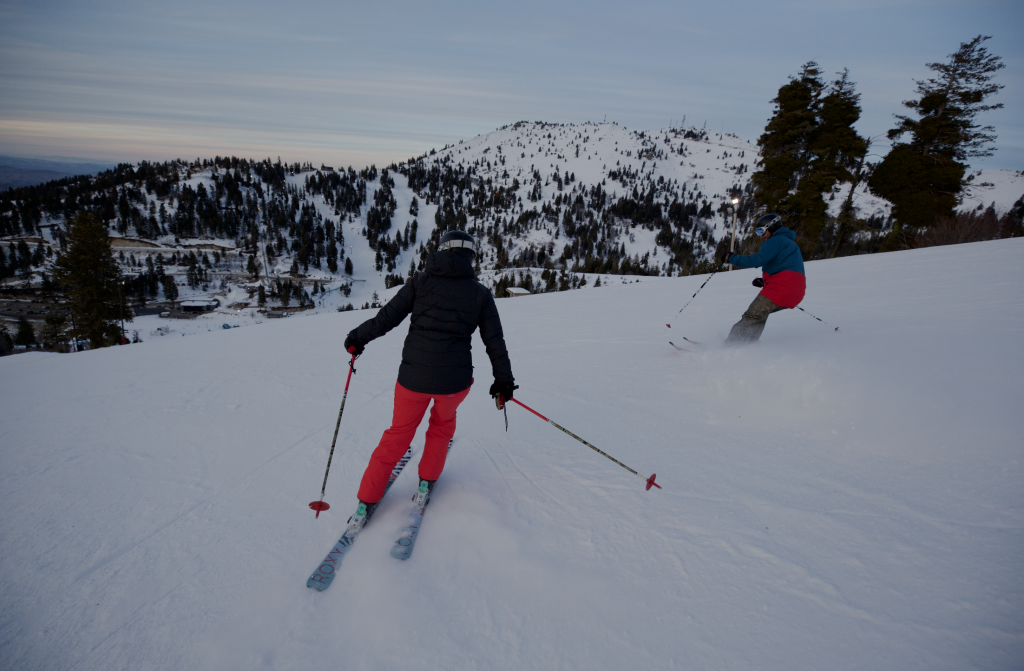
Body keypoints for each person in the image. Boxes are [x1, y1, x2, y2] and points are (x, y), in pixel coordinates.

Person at [342, 230, 516, 522]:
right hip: (454, 383)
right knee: (441, 426)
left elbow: (386, 318)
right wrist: (504, 382)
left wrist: (357, 339)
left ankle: (366, 501)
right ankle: (426, 482)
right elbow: (494, 342)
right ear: (470, 257)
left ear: (442, 251)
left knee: (398, 434)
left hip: (413, 379)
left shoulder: (420, 282)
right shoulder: (480, 294)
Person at [720, 213, 806, 344]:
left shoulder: (774, 241)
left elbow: (757, 260)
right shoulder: (789, 243)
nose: (760, 236)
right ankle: (748, 344)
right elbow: (785, 266)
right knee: (759, 316)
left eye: (761, 231)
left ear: (771, 227)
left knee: (752, 315)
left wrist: (731, 258)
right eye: (757, 232)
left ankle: (731, 347)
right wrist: (765, 281)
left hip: (781, 289)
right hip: (796, 292)